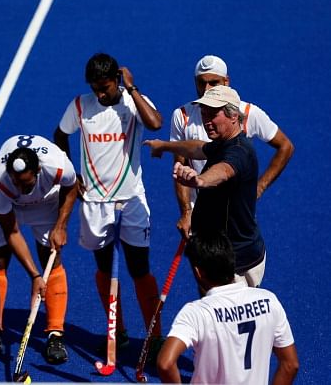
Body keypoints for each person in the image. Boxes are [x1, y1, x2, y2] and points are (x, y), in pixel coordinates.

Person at [54, 53, 164, 359]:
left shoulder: (133, 102)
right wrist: (71, 174)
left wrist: (132, 88)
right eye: (95, 88)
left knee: (139, 269)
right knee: (104, 269)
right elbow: (60, 135)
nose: (100, 94)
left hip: (130, 200)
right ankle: (118, 330)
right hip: (94, 204)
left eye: (105, 87)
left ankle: (154, 336)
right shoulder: (80, 106)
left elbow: (155, 123)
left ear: (117, 79)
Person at [145, 85, 267, 288]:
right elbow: (198, 148)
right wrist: (164, 145)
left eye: (213, 114)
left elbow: (224, 171)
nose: (206, 120)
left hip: (233, 262)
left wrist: (199, 181)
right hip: (224, 253)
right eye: (204, 113)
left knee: (224, 317)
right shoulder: (223, 142)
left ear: (234, 116)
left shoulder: (238, 152)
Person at [170, 55, 294, 239]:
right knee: (203, 268)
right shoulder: (182, 116)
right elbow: (180, 167)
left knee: (240, 265)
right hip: (200, 212)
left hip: (236, 215)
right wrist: (187, 212)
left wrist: (259, 187)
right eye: (201, 83)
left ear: (226, 82)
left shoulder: (247, 112)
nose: (207, 90)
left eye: (214, 83)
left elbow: (285, 146)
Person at [0, 135, 78, 364]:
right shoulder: (0, 185)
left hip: (45, 202)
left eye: (26, 183)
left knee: (50, 260)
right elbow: (12, 233)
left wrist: (60, 226)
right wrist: (34, 276)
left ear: (37, 171)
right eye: (17, 183)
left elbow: (72, 187)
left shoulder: (57, 167)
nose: (22, 188)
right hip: (7, 205)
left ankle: (55, 334)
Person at [157, 232, 299, 384]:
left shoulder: (196, 313)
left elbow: (165, 364)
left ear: (198, 272)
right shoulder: (269, 301)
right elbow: (290, 364)